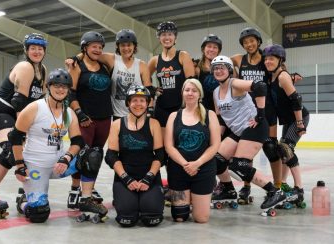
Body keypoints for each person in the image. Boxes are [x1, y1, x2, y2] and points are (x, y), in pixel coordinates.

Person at [8, 68, 90, 223]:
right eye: (56, 85)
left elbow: (78, 141)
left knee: (92, 156)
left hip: (59, 165)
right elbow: (15, 137)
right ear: (48, 87)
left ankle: (84, 197)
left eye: (64, 86)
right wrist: (19, 165)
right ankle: (24, 201)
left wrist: (66, 158)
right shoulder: (35, 108)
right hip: (35, 166)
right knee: (39, 213)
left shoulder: (69, 113)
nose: (61, 89)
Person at [0, 33, 48, 214]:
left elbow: (41, 101)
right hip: (2, 110)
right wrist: (21, 132)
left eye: (40, 48)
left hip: (20, 113)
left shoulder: (44, 70)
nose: (37, 51)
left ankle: (27, 192)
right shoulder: (25, 67)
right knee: (11, 149)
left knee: (25, 153)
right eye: (33, 48)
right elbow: (20, 103)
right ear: (26, 50)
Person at [211, 56, 286, 212]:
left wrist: (260, 115)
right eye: (215, 68)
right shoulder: (216, 92)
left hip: (255, 127)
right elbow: (221, 120)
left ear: (229, 70)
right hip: (239, 131)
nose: (218, 70)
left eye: (222, 67)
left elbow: (260, 87)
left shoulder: (235, 84)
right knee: (216, 159)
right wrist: (215, 140)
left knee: (239, 166)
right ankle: (228, 190)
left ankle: (275, 192)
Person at [230, 27, 280, 203]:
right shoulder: (238, 59)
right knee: (246, 153)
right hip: (247, 111)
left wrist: (292, 76)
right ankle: (246, 186)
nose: (249, 44)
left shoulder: (266, 59)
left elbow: (280, 70)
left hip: (267, 110)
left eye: (252, 41)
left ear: (258, 42)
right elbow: (221, 64)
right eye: (245, 42)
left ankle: (278, 186)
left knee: (272, 149)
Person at [105, 85, 164, 227]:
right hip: (125, 175)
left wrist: (149, 177)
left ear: (147, 103)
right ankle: (127, 199)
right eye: (134, 100)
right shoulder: (117, 124)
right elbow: (111, 155)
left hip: (149, 175)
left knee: (152, 217)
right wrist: (127, 179)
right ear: (128, 103)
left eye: (142, 100)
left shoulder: (154, 123)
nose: (138, 104)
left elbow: (160, 155)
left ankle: (145, 200)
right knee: (127, 218)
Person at [66, 31, 112, 212]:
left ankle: (88, 189)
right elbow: (71, 93)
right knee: (82, 155)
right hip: (85, 119)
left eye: (100, 47)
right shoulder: (77, 66)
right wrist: (80, 113)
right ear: (85, 47)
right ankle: (75, 190)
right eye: (94, 46)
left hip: (104, 118)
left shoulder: (104, 67)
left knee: (96, 156)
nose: (98, 50)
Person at [164, 78, 221, 223]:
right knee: (179, 217)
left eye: (194, 90)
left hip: (203, 170)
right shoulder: (174, 116)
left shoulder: (210, 115)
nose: (190, 93)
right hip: (178, 169)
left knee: (201, 218)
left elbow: (215, 145)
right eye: (187, 90)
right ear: (182, 93)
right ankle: (187, 201)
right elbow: (169, 146)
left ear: (199, 94)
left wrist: (197, 163)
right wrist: (185, 164)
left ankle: (196, 200)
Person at [66, 29, 154, 120]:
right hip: (117, 115)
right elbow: (91, 53)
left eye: (129, 45)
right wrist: (75, 58)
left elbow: (149, 91)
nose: (126, 48)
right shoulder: (111, 59)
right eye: (122, 45)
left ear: (134, 46)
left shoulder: (142, 65)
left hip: (138, 113)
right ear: (118, 46)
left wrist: (150, 110)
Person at [263, 44, 309, 204]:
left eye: (272, 58)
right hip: (289, 121)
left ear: (280, 60)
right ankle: (282, 184)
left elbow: (296, 100)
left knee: (285, 148)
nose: (268, 61)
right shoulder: (272, 77)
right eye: (266, 58)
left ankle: (299, 189)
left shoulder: (282, 76)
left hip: (298, 117)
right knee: (282, 151)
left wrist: (300, 123)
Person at [148, 21, 195, 129]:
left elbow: (192, 82)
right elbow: (144, 78)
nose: (167, 37)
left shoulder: (183, 55)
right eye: (163, 34)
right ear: (159, 38)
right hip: (162, 107)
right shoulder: (154, 60)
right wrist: (153, 89)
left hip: (181, 106)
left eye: (170, 34)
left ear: (175, 37)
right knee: (163, 141)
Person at [195, 34, 222, 111]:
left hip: (222, 109)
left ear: (218, 51)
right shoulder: (197, 69)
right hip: (203, 110)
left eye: (215, 47)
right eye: (209, 46)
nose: (211, 50)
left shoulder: (224, 68)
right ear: (203, 49)